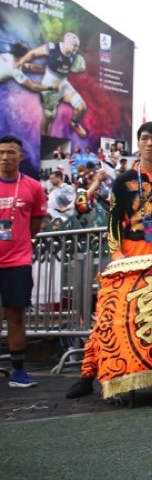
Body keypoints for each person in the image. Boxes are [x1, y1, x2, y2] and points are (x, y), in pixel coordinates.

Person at [64, 121, 152, 399]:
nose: (150, 143)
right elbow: (113, 221)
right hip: (131, 254)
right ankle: (88, 374)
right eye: (145, 138)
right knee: (111, 315)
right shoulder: (123, 181)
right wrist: (117, 253)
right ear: (138, 143)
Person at [0, 136, 48, 388]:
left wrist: (19, 243)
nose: (5, 157)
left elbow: (35, 224)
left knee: (16, 316)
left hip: (17, 262)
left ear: (21, 156)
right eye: (1, 153)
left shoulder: (33, 187)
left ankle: (18, 372)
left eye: (10, 152)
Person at [16, 32, 89, 138]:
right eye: (75, 46)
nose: (76, 49)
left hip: (64, 84)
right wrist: (21, 62)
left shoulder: (75, 57)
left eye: (78, 46)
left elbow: (76, 68)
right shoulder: (53, 48)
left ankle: (74, 123)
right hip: (49, 86)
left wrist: (81, 69)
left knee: (82, 108)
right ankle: (45, 139)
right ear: (66, 42)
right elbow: (33, 53)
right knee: (49, 117)